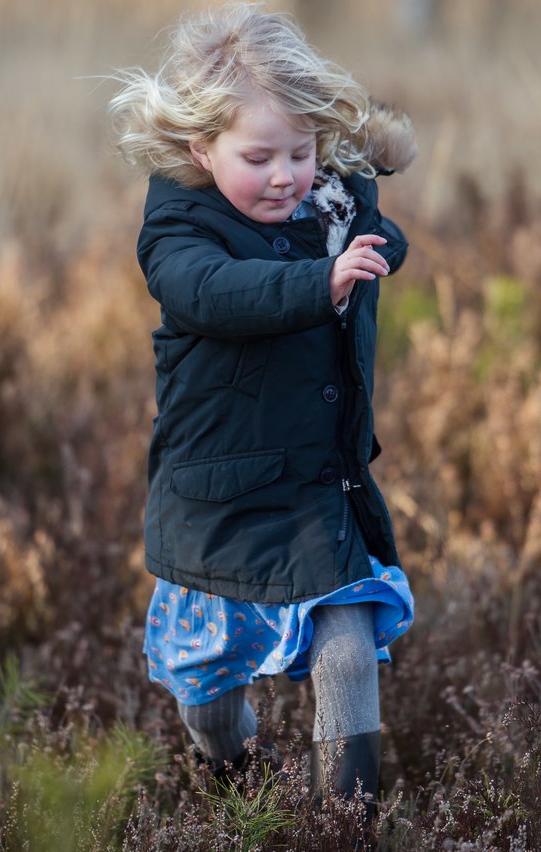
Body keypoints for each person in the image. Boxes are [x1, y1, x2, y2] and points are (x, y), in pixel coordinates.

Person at [108, 2, 417, 819]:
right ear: (200, 147)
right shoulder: (178, 227)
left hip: (319, 490)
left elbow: (377, 232)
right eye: (259, 157)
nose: (285, 176)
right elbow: (216, 294)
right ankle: (236, 765)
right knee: (208, 699)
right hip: (219, 499)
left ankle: (345, 829)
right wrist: (323, 281)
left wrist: (368, 240)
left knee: (349, 654)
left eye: (302, 152)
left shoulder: (334, 210)